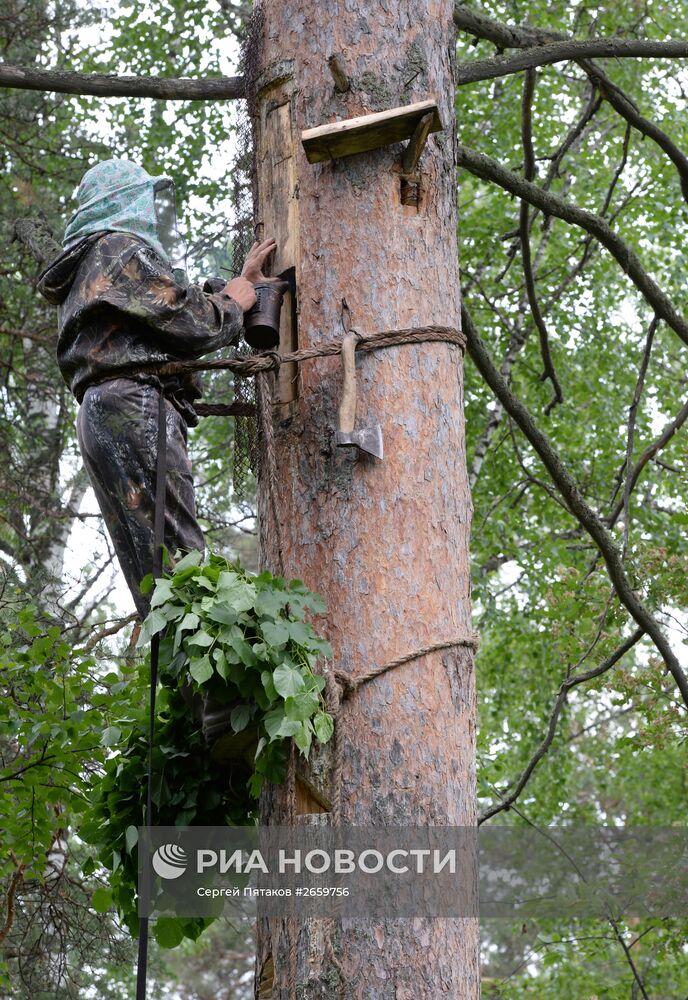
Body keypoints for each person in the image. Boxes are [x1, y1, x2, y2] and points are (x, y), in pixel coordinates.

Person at [38, 157, 276, 617]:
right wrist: (234, 303)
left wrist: (231, 288)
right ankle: (220, 676)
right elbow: (188, 322)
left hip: (101, 410)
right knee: (181, 557)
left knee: (154, 574)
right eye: (147, 198)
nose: (154, 210)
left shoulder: (91, 263)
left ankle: (185, 674)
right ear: (126, 202)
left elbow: (157, 317)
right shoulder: (120, 248)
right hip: (135, 403)